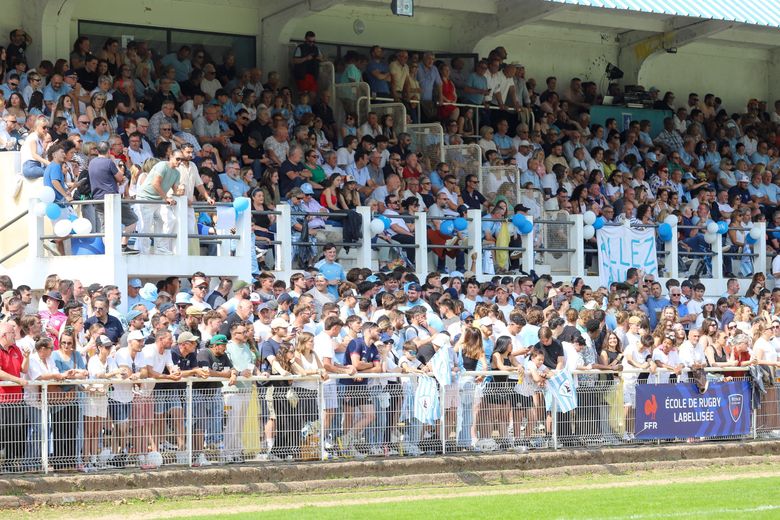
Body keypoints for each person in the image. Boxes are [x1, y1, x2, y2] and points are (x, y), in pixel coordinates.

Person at [135, 149, 182, 255]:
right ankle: (143, 252)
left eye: (181, 160)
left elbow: (176, 190)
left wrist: (181, 191)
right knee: (145, 227)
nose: (179, 161)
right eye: (178, 159)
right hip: (145, 199)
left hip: (158, 200)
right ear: (170, 156)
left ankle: (161, 247)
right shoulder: (162, 165)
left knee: (170, 219)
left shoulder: (177, 173)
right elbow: (155, 183)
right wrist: (166, 198)